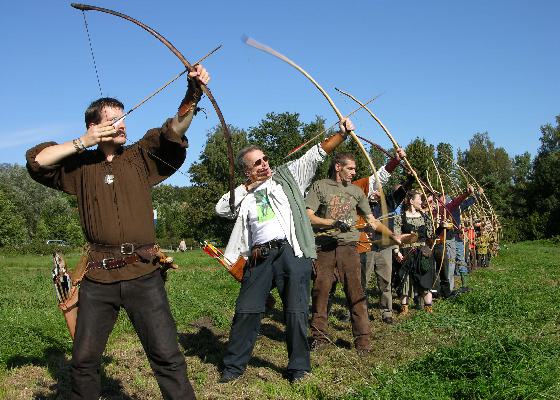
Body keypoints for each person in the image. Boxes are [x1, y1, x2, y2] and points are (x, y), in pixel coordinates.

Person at [26, 64, 210, 400]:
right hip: (98, 277)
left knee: (167, 357)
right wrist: (83, 142)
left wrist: (193, 92)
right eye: (113, 120)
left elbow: (174, 131)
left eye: (124, 118)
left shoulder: (141, 155)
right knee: (83, 361)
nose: (122, 124)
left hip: (143, 273)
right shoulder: (79, 167)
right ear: (94, 126)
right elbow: (38, 160)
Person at [215, 118, 354, 383]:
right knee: (247, 310)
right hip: (260, 256)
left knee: (296, 311)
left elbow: (317, 153)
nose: (264, 163)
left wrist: (342, 133)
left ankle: (298, 367)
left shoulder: (288, 176)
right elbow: (221, 209)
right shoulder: (243, 193)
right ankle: (233, 367)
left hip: (292, 252)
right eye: (257, 162)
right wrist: (249, 187)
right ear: (247, 170)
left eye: (265, 159)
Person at [305, 152, 400, 354]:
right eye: (350, 168)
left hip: (349, 248)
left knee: (356, 294)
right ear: (338, 167)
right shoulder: (320, 186)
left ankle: (363, 341)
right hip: (325, 247)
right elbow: (308, 216)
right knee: (321, 292)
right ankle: (319, 336)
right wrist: (331, 223)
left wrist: (393, 236)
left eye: (355, 169)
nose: (354, 172)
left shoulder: (357, 192)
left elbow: (372, 222)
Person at [393, 190, 436, 314]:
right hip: (407, 251)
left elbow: (430, 235)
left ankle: (428, 307)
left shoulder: (424, 216)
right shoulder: (400, 217)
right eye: (419, 199)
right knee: (404, 278)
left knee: (426, 276)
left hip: (423, 252)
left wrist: (437, 226)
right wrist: (397, 251)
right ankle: (404, 308)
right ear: (412, 201)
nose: (421, 202)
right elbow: (396, 236)